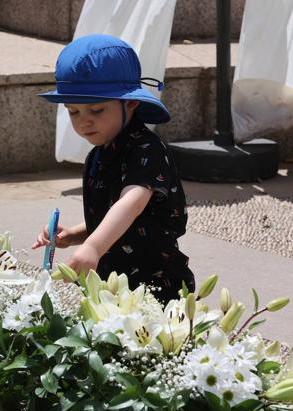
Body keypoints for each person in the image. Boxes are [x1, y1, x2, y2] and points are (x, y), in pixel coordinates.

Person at [32, 34, 195, 302]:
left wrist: (94, 246)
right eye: (74, 112)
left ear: (130, 102)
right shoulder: (100, 154)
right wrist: (75, 234)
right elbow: (115, 216)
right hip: (110, 283)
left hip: (154, 284)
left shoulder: (147, 149)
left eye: (96, 110)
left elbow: (132, 205)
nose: (84, 122)